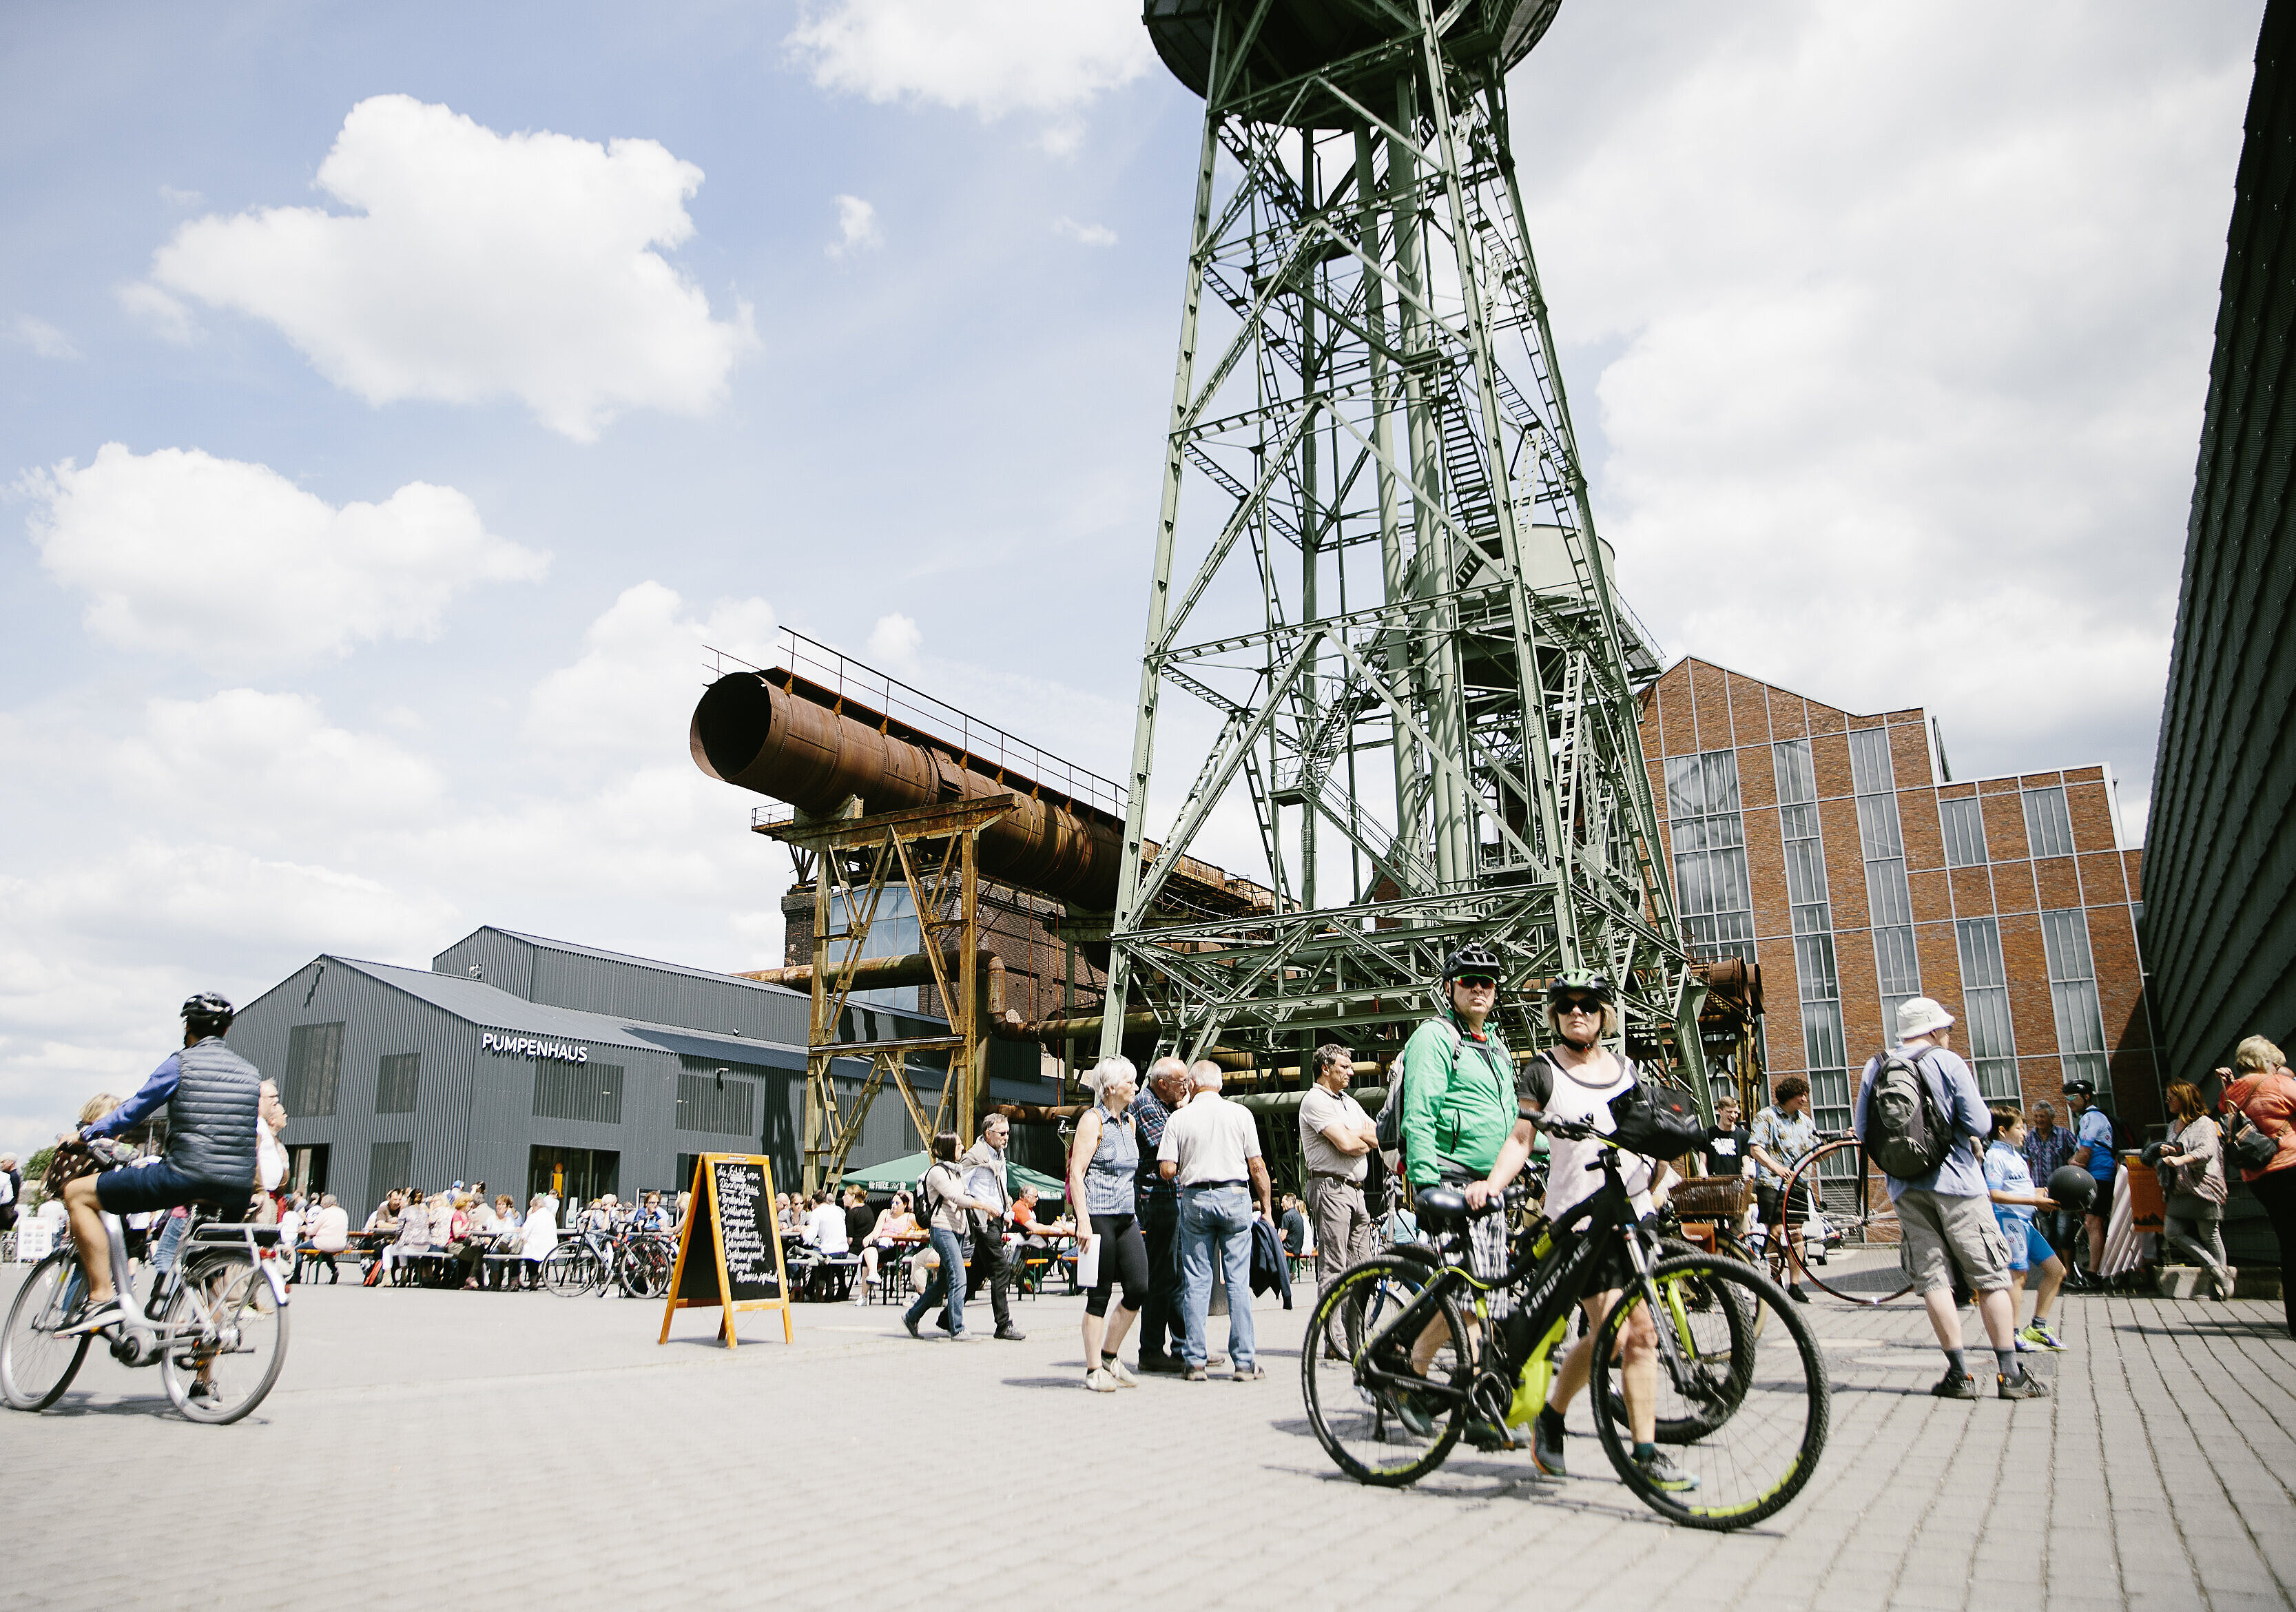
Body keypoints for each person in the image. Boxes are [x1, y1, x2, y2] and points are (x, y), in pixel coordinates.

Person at [1469, 968, 1694, 1491]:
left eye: (1588, 1005)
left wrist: (1666, 1174)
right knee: (1618, 1334)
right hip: (1580, 1220)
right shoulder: (1542, 1072)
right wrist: (1492, 1186)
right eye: (1567, 1005)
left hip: (1631, 1213)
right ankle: (1552, 1416)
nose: (1577, 1012)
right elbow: (1522, 1139)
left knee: (1637, 1335)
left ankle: (1641, 1452)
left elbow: (1647, 1130)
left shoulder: (1625, 1068)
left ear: (1602, 1014)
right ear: (1555, 1015)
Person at [1854, 998, 2047, 1401]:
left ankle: (1958, 1375)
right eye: (1945, 1028)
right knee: (1990, 1276)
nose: (1948, 1033)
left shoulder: (1875, 1064)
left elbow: (1861, 1130)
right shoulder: (1948, 1061)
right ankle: (2010, 1375)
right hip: (1959, 1184)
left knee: (1934, 1279)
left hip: (1905, 1187)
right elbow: (1979, 1123)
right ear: (1934, 1029)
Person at [53, 993, 261, 1339]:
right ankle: (203, 1377)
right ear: (226, 1030)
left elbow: (134, 1110)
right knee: (206, 1273)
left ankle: (102, 1297)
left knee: (77, 1194)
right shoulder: (250, 1074)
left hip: (183, 1176)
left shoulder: (182, 1062)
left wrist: (86, 1134)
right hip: (236, 1187)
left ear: (186, 1027)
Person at [1157, 1060, 1273, 1382]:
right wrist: (1266, 1207)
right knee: (1237, 1281)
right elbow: (1257, 1166)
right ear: (1220, 1085)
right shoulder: (1241, 1115)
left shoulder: (1179, 1118)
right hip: (1236, 1196)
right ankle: (1245, 1364)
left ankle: (1194, 1362)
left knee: (1196, 1281)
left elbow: (1167, 1169)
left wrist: (1187, 1168)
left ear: (1191, 1085)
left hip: (1196, 1198)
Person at [1069, 1056, 1151, 1392]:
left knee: (1138, 1287)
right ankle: (1092, 1370)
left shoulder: (1128, 1123)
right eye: (1130, 1081)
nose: (1136, 1086)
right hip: (1099, 1216)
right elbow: (1076, 1173)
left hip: (1126, 1217)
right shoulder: (1092, 1121)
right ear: (1111, 1087)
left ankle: (1109, 1355)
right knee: (1099, 1294)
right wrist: (1083, 1222)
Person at [1299, 1042, 1378, 1345]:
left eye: (1350, 1066)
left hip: (1356, 1192)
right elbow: (1347, 1145)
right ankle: (1335, 1341)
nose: (1351, 1072)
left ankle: (1355, 1335)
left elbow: (1375, 1135)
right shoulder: (1314, 1101)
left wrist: (1355, 1135)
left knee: (1363, 1266)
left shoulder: (1348, 1102)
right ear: (1325, 1068)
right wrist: (1358, 1139)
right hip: (1331, 1188)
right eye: (1344, 1067)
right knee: (1334, 1267)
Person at [2219, 1036, 2296, 1335]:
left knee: (2289, 1246)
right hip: (2290, 1166)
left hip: (2259, 1178)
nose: (2277, 1068)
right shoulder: (2277, 1084)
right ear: (2264, 1062)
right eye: (2275, 1064)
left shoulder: (2230, 1094)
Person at [1983, 1105, 2068, 1350]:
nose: (2024, 1132)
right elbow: (1994, 1194)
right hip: (2009, 1222)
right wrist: (2034, 1200)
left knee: (2057, 1271)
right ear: (2002, 1131)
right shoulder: (1995, 1157)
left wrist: (2039, 1194)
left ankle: (2038, 1327)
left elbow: (2018, 1189)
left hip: (2026, 1223)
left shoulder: (2015, 1154)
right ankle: (2012, 1334)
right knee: (2018, 1278)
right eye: (2020, 1127)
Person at [1128, 1054, 1194, 1373]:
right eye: (1182, 1083)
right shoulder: (1146, 1104)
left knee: (1177, 1275)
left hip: (1175, 1195)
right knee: (1162, 1276)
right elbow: (1168, 1145)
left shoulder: (1168, 1106)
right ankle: (1151, 1349)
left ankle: (1185, 1347)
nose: (1187, 1088)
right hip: (1158, 1198)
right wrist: (1185, 1114)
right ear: (1163, 1084)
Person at [904, 1132, 1004, 1341]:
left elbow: (965, 1195)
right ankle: (957, 1327)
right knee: (959, 1277)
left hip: (958, 1231)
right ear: (949, 1147)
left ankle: (912, 1316)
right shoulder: (937, 1173)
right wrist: (982, 1205)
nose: (963, 1147)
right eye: (958, 1144)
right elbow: (954, 1196)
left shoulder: (957, 1171)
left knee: (942, 1282)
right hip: (943, 1230)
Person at [2155, 1080, 2233, 1299]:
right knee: (2172, 1232)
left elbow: (2206, 1151)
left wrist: (2180, 1159)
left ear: (2185, 1099)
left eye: (2172, 1097)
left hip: (2204, 1187)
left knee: (2210, 1234)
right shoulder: (2172, 1126)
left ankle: (2220, 1287)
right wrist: (2167, 1151)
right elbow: (2177, 1149)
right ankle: (2216, 1270)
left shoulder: (2205, 1123)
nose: (2167, 1101)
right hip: (2179, 1189)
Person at [1748, 1075, 1820, 1303]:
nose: (1805, 1099)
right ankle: (1775, 1279)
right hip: (1772, 1183)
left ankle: (1795, 1285)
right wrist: (1776, 1167)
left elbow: (1817, 1154)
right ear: (1789, 1095)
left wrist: (1839, 1144)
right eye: (1801, 1095)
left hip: (1798, 1184)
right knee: (1776, 1232)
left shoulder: (1806, 1122)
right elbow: (1756, 1149)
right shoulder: (1766, 1117)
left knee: (1797, 1234)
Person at [955, 1115, 1025, 1341]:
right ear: (988, 1134)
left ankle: (946, 1317)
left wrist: (1005, 1210)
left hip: (996, 1218)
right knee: (1001, 1269)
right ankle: (1003, 1324)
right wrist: (977, 1209)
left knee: (977, 1273)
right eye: (1001, 1133)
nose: (1006, 1137)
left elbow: (999, 1187)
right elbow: (959, 1185)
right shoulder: (975, 1156)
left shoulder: (999, 1155)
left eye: (1007, 1133)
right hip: (983, 1221)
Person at [2062, 1078, 2119, 1287]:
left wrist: (2071, 1163)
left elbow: (2084, 1154)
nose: (2068, 1101)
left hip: (2099, 1176)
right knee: (2093, 1222)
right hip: (2099, 1176)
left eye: (2072, 1097)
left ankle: (2094, 1273)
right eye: (2066, 1098)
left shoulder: (2091, 1118)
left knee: (2093, 1223)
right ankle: (2097, 1270)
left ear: (2087, 1096)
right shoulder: (2091, 1117)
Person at [2020, 1100, 2080, 1262]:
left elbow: (2078, 1154)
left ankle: (2069, 1272)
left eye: (2043, 1116)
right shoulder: (2029, 1138)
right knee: (2047, 1234)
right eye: (2036, 1116)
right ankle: (2058, 1270)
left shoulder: (2064, 1134)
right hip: (2041, 1193)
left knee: (2064, 1232)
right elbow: (2028, 1163)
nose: (2039, 1120)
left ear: (2052, 1118)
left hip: (2062, 1193)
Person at [854, 1191, 920, 1304]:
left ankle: (864, 1294)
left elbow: (923, 1229)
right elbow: (876, 1232)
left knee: (868, 1258)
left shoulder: (910, 1217)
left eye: (897, 1203)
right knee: (869, 1247)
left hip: (896, 1247)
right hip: (880, 1244)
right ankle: (872, 1276)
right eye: (892, 1202)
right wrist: (868, 1237)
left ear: (905, 1205)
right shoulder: (885, 1213)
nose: (894, 1205)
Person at [378, 1190, 433, 1285]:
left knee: (387, 1250)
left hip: (411, 1246)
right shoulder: (425, 1212)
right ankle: (404, 1274)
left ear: (409, 1199)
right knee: (400, 1247)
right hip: (425, 1247)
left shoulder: (406, 1211)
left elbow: (399, 1230)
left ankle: (388, 1277)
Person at [300, 1193, 351, 1285]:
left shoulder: (324, 1213)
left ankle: (296, 1277)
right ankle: (334, 1271)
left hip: (323, 1243)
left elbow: (313, 1230)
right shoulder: (344, 1212)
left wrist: (305, 1230)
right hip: (341, 1244)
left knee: (297, 1250)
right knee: (326, 1252)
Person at [520, 1190, 559, 1289]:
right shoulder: (550, 1216)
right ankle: (538, 1278)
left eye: (532, 1207)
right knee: (533, 1252)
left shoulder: (534, 1216)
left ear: (536, 1206)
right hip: (551, 1248)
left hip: (537, 1248)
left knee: (528, 1254)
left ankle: (533, 1281)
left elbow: (525, 1232)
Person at [804, 1190, 849, 1255]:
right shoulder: (837, 1210)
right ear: (825, 1200)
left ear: (814, 1201)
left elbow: (809, 1239)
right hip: (844, 1251)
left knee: (796, 1257)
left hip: (830, 1252)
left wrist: (803, 1233)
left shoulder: (817, 1212)